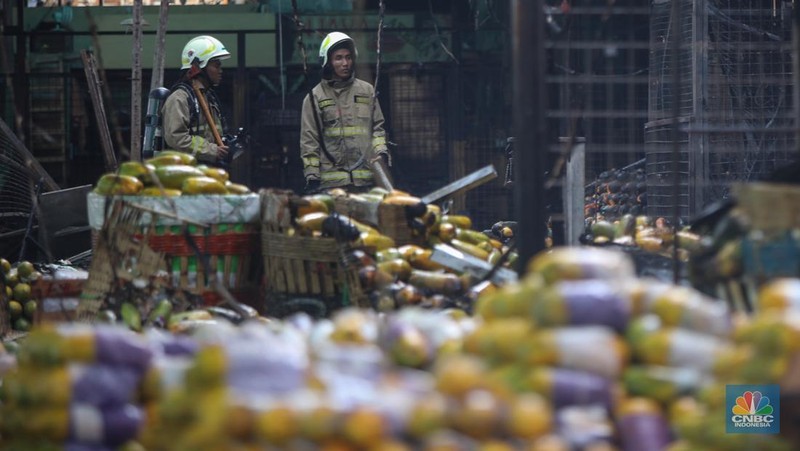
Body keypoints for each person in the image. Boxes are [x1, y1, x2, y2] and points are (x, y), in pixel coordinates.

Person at [300, 31, 391, 193]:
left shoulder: (367, 91)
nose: (345, 63)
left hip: (366, 182)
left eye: (348, 57)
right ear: (327, 62)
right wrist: (312, 175)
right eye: (338, 58)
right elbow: (309, 141)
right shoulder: (315, 97)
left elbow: (377, 129)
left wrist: (381, 152)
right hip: (333, 186)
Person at [161, 35, 230, 165]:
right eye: (216, 66)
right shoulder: (179, 99)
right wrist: (211, 150)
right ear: (198, 67)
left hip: (206, 170)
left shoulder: (208, 98)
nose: (220, 71)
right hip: (185, 171)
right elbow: (177, 138)